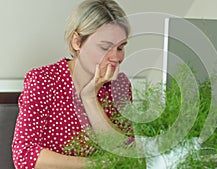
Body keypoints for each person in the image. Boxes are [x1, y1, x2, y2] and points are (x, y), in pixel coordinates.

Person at [11, 0, 133, 168]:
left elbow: (124, 156)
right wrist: (93, 164)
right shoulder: (43, 80)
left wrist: (90, 98)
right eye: (105, 47)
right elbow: (25, 156)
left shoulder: (119, 85)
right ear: (77, 42)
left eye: (120, 48)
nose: (116, 57)